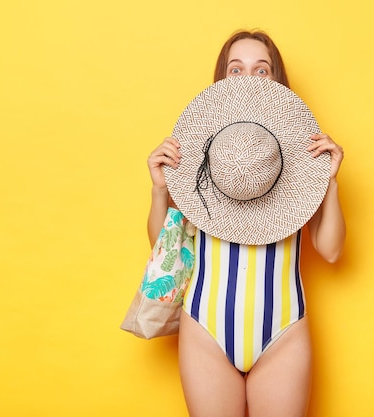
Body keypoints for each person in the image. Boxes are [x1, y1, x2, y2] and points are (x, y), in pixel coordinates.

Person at [146, 30, 346, 417]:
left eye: (261, 69)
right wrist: (159, 190)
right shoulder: (196, 155)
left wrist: (331, 180)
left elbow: (332, 250)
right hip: (205, 328)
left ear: (277, 81)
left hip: (284, 332)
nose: (248, 77)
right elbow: (165, 252)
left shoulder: (303, 159)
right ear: (221, 80)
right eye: (236, 69)